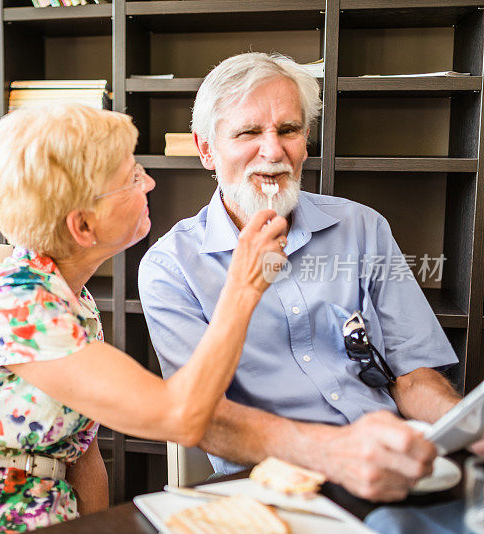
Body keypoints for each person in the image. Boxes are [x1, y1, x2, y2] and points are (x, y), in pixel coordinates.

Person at [0, 103, 288, 533]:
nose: (148, 182)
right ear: (83, 227)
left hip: (49, 512)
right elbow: (179, 415)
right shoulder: (14, 302)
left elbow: (80, 451)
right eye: (130, 179)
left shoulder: (73, 298)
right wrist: (244, 285)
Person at [138, 52, 481, 503]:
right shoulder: (170, 267)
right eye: (248, 132)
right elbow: (208, 420)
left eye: (288, 130)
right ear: (206, 149)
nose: (273, 151)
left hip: (389, 466)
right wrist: (337, 452)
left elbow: (413, 375)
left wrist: (468, 432)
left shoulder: (364, 227)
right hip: (272, 485)